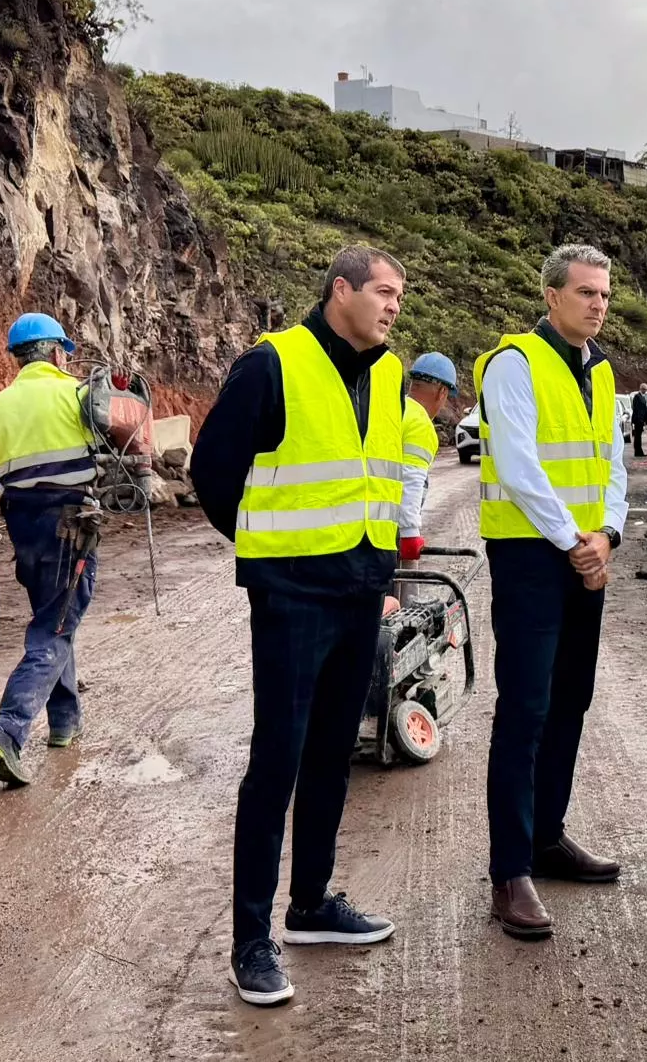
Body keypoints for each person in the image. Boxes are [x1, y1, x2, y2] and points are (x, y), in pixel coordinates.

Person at [191, 245, 408, 1007]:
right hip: (291, 596)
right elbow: (213, 474)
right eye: (382, 292)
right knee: (276, 761)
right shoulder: (270, 365)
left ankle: (310, 905)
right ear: (339, 290)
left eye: (399, 297)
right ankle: (251, 939)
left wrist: (380, 571)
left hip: (360, 589)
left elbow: (380, 477)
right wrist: (270, 552)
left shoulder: (389, 373)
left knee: (331, 756)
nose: (392, 306)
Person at [476, 243, 629, 941]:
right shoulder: (514, 364)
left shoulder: (602, 372)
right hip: (533, 557)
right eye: (586, 293)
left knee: (572, 698)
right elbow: (517, 460)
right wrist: (575, 541)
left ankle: (547, 836)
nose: (598, 304)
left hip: (584, 554)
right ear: (551, 296)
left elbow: (616, 465)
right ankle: (510, 869)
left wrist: (611, 535)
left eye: (604, 294)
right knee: (527, 706)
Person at [0, 313, 100, 788]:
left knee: (55, 618)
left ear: (18, 358)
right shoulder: (77, 395)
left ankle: (64, 723)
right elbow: (117, 449)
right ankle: (8, 730)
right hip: (71, 530)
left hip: (27, 534)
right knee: (54, 630)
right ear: (56, 352)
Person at [400, 352, 457, 563]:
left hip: (368, 527)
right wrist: (409, 533)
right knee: (405, 592)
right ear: (442, 391)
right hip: (393, 531)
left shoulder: (394, 408)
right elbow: (411, 480)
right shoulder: (420, 423)